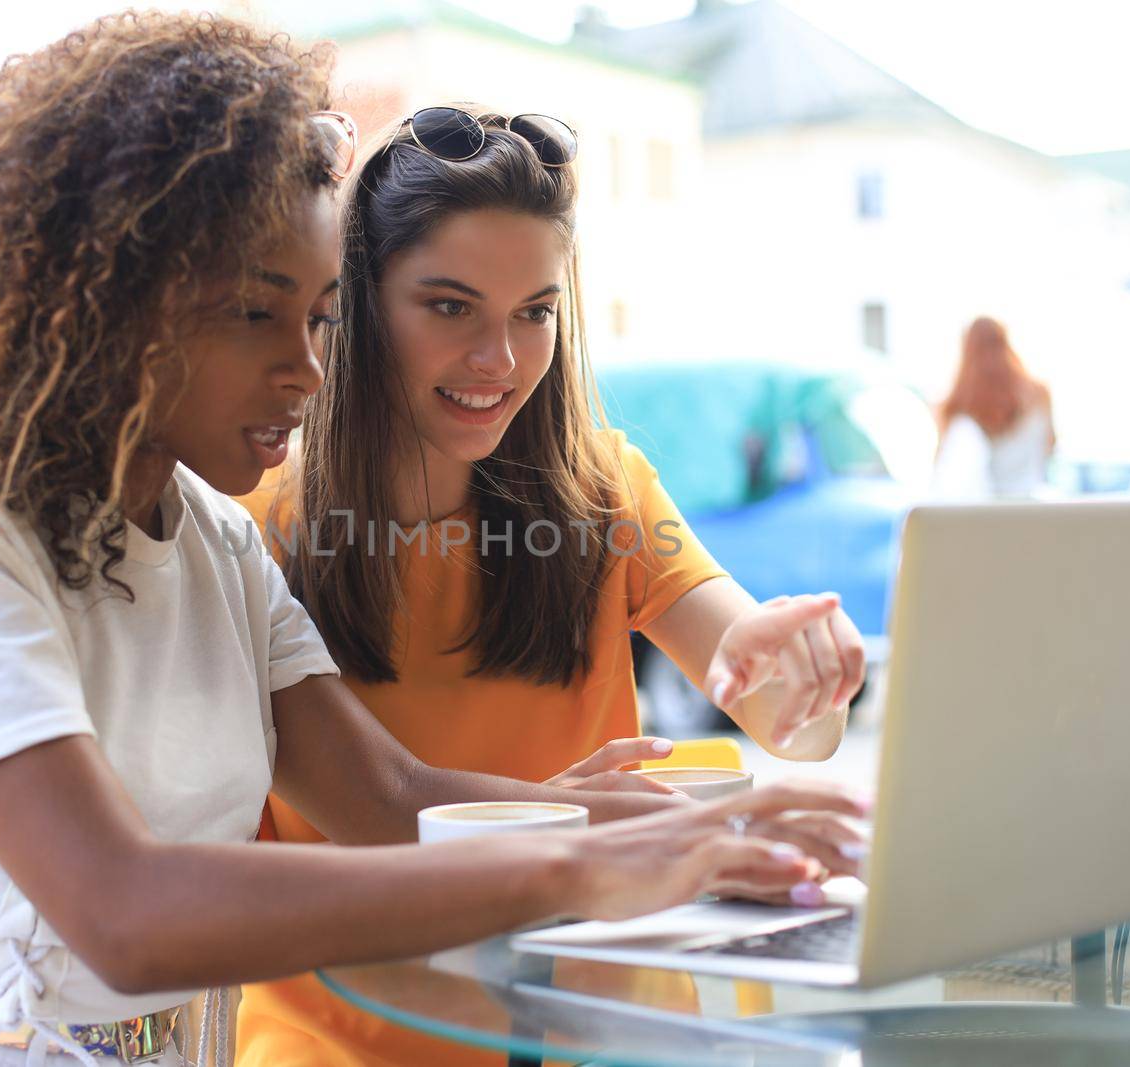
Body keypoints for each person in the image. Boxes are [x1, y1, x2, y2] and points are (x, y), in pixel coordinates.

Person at [0, 18, 866, 1067]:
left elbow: (386, 798)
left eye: (320, 316)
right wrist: (583, 858)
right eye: (255, 310)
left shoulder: (219, 545)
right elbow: (125, 917)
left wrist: (695, 818)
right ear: (112, 295)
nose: (311, 368)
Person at [236, 106, 867, 1066]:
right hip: (353, 1040)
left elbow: (791, 722)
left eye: (534, 311)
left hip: (612, 1037)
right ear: (359, 303)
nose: (499, 360)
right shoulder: (261, 527)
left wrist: (798, 674)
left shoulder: (602, 487)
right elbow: (375, 808)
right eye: (450, 307)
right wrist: (553, 817)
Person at [930, 316, 1055, 499]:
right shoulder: (1039, 397)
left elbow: (945, 478)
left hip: (985, 517)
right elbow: (1049, 448)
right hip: (1032, 510)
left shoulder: (958, 410)